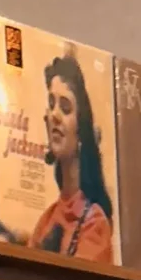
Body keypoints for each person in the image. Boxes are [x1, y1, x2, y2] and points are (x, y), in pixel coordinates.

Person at [31, 53, 115, 262]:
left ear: (81, 130)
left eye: (65, 107)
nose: (54, 115)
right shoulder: (47, 219)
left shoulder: (94, 224)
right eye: (51, 104)